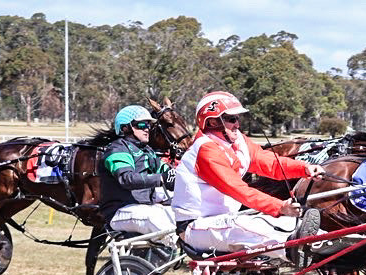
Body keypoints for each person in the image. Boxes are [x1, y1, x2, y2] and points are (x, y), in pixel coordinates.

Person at [171, 91, 314, 251]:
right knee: (244, 225)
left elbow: (272, 164)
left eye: (238, 118)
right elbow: (238, 190)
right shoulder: (205, 150)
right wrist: (280, 207)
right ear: (212, 122)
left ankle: (319, 241)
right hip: (196, 225)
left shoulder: (238, 140)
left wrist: (305, 168)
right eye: (231, 119)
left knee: (279, 222)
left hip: (223, 219)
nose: (237, 124)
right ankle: (296, 248)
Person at [98, 104, 177, 238]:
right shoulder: (117, 149)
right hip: (120, 210)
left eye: (149, 125)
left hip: (144, 207)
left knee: (180, 213)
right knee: (157, 220)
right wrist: (161, 178)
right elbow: (127, 179)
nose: (147, 129)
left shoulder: (147, 151)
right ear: (125, 128)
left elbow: (167, 172)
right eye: (141, 125)